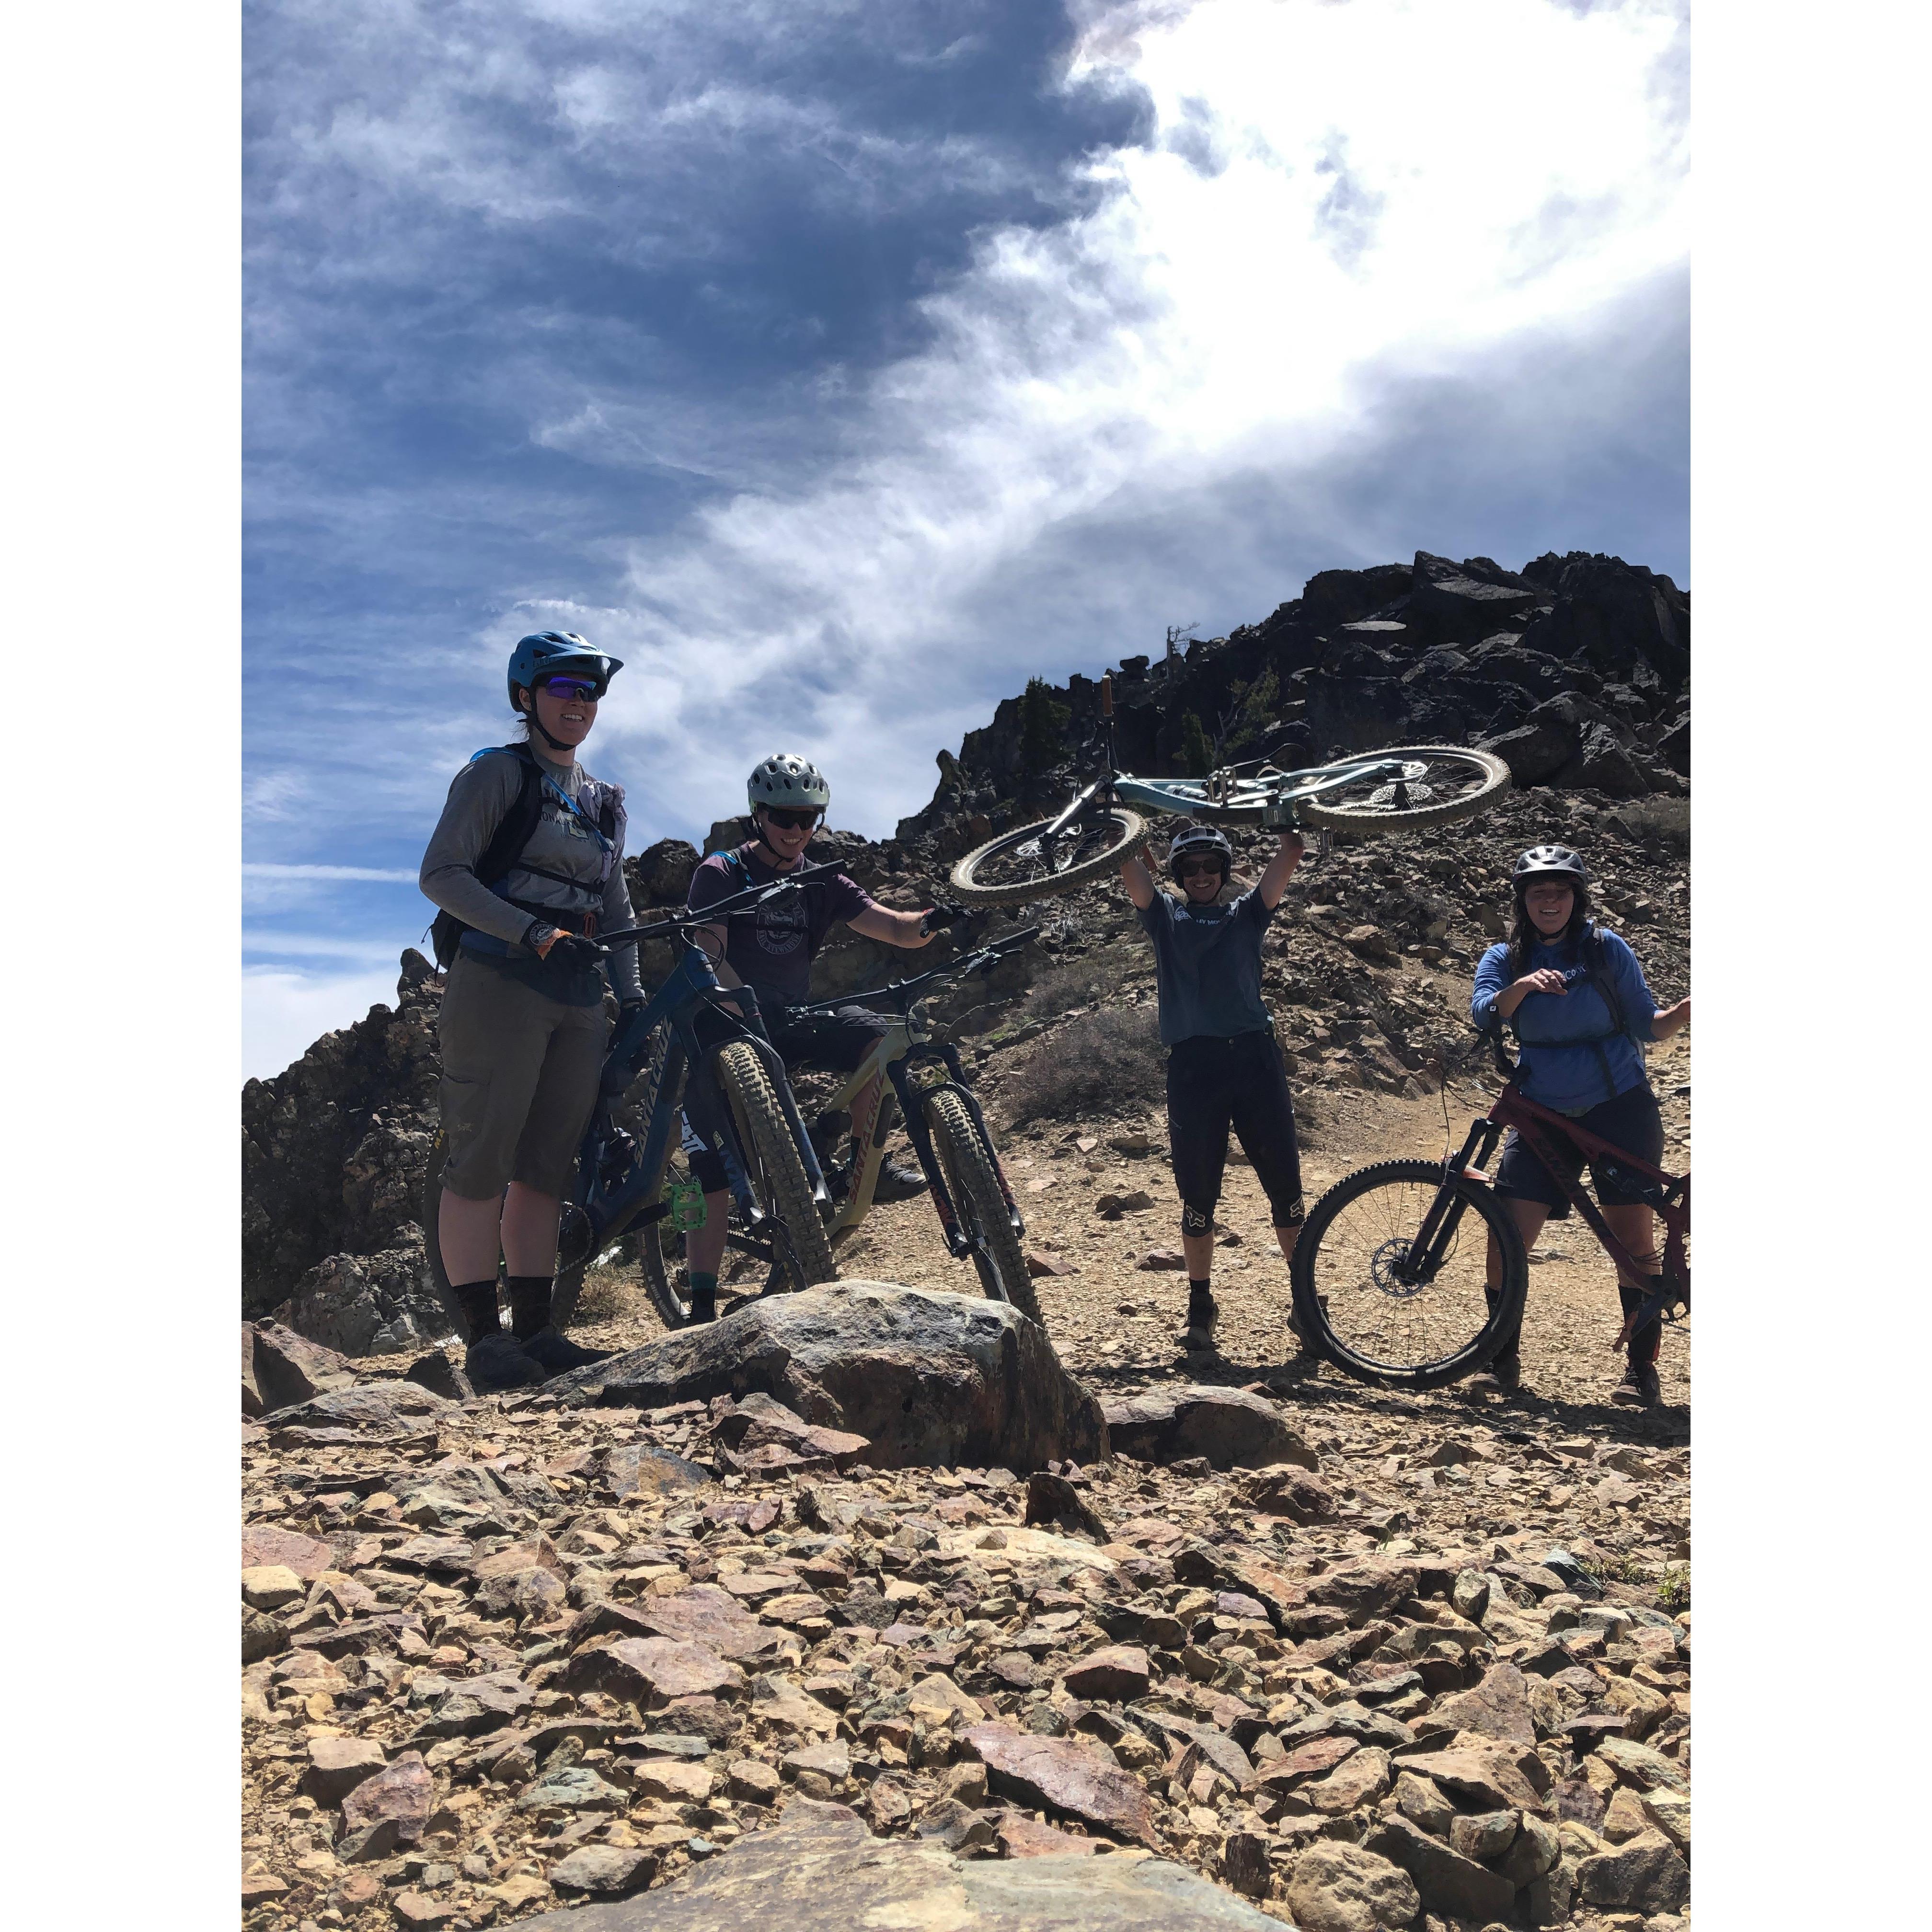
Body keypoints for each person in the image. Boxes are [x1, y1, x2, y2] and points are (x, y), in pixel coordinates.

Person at [419, 631, 645, 1392]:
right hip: (500, 979)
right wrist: (530, 931)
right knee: (483, 1158)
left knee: (547, 1167)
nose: (578, 704)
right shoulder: (496, 776)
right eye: (562, 689)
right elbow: (442, 874)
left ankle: (539, 1331)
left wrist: (633, 990)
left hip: (579, 994)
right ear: (527, 697)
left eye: (590, 692)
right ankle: (486, 1340)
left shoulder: (604, 801)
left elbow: (615, 904)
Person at [677, 752, 955, 1321]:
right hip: (722, 1023)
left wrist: (933, 920)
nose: (797, 829)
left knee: (878, 1040)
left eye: (809, 818)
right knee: (710, 1176)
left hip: (789, 1015)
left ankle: (861, 1166)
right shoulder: (721, 872)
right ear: (758, 815)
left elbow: (893, 926)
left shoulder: (821, 880)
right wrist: (744, 1007)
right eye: (784, 817)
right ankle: (700, 1302)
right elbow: (709, 954)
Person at [1469, 844, 1691, 1407]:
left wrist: (1684, 1012)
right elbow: (1484, 1013)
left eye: (1560, 891)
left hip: (1617, 1106)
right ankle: (1501, 1363)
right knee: (1508, 1239)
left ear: (1576, 896)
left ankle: (1641, 1373)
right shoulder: (1504, 957)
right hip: (1541, 1111)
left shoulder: (1605, 949)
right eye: (1538, 891)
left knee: (1633, 1241)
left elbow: (1648, 1025)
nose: (1550, 901)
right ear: (1522, 900)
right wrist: (1524, 988)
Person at [1119, 823, 1308, 1353]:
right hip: (1194, 1065)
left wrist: (1283, 812)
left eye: (1210, 866)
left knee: (1286, 1189)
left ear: (1224, 872)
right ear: (1177, 874)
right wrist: (1124, 826)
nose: (1201, 876)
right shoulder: (1165, 917)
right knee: (1198, 1194)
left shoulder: (1248, 912)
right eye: (1190, 868)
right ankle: (1201, 1304)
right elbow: (1125, 863)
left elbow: (1291, 852)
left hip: (1255, 1061)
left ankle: (1306, 1303)